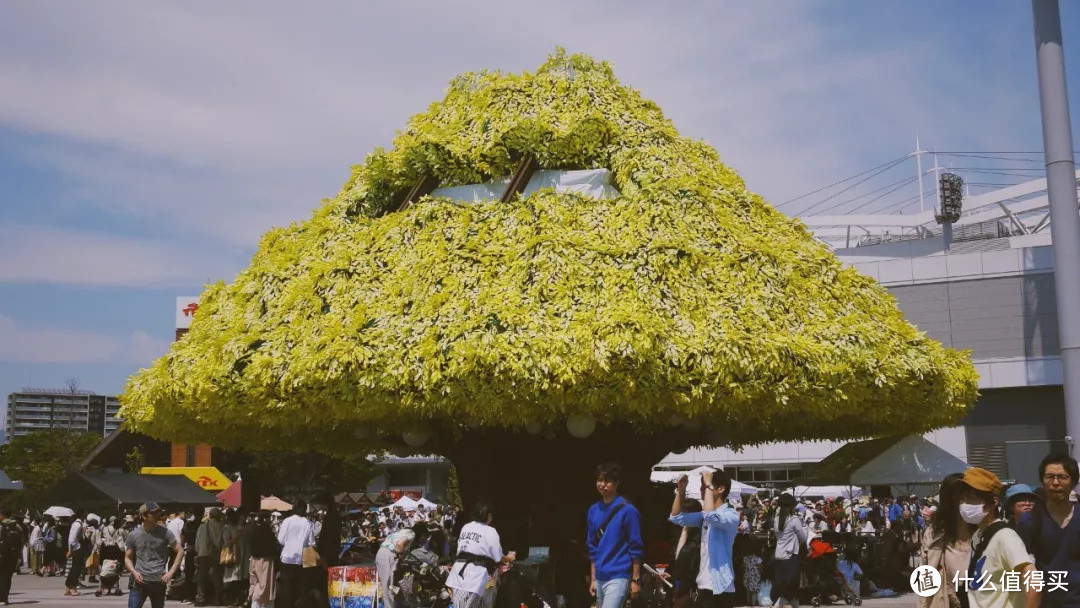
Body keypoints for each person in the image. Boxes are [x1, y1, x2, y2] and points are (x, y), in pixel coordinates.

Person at [958, 467, 1037, 608]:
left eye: (972, 497)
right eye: (963, 498)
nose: (965, 503)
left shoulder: (1005, 536)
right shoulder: (978, 535)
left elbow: (1033, 580)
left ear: (994, 501)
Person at [668, 469, 739, 608]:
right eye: (702, 487)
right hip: (703, 583)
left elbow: (710, 516)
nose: (702, 490)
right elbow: (676, 518)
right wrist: (681, 490)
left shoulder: (731, 515)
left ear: (721, 489)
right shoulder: (704, 515)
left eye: (705, 486)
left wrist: (708, 485)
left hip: (721, 586)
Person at [1017, 453, 1080, 608]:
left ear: (1073, 482)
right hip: (1045, 602)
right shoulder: (1030, 520)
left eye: (1062, 477)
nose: (1055, 483)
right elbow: (1020, 566)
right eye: (1049, 477)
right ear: (1042, 481)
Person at [587, 462, 644, 608]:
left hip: (619, 574)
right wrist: (593, 579)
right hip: (600, 575)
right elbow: (592, 546)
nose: (602, 484)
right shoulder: (593, 510)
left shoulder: (628, 511)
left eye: (607, 481)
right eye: (599, 480)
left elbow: (635, 546)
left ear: (617, 483)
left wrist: (635, 579)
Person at [445, 501, 516, 608]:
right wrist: (510, 558)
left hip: (458, 572)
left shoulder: (466, 527)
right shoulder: (490, 531)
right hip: (474, 576)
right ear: (488, 515)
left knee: (459, 605)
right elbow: (498, 557)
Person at [919, 473, 973, 608]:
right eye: (957, 497)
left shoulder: (984, 532)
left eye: (967, 496)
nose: (962, 501)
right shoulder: (933, 534)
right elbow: (924, 579)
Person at [124, 502, 183, 608]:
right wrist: (134, 572)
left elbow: (180, 551)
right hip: (139, 582)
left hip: (158, 582)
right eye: (153, 513)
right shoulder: (133, 535)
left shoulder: (166, 533)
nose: (157, 515)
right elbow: (128, 557)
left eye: (158, 512)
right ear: (143, 516)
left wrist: (170, 573)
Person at [277, 500, 316, 608]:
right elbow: (311, 543)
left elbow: (281, 540)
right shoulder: (308, 523)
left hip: (287, 558)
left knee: (287, 588)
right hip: (302, 559)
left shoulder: (286, 521)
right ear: (304, 510)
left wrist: (290, 543)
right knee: (302, 588)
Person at [770, 494, 806, 608]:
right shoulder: (795, 520)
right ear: (791, 506)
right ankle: (779, 603)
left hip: (779, 554)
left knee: (784, 582)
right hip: (791, 556)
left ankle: (792, 603)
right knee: (793, 584)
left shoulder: (776, 520)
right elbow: (802, 538)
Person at [376, 521, 420, 608]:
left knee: (388, 584)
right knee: (389, 585)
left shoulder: (400, 532)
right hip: (387, 555)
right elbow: (400, 545)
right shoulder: (411, 534)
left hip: (383, 554)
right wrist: (403, 554)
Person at [195, 507, 225, 607]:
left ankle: (200, 599)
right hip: (216, 554)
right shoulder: (222, 526)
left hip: (202, 554)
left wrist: (199, 551)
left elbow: (197, 543)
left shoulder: (202, 526)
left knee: (201, 578)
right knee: (217, 577)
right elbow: (223, 541)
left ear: (210, 515)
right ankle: (218, 600)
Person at [249, 514, 278, 608]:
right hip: (267, 561)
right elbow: (274, 546)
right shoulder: (268, 532)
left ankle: (255, 603)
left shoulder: (255, 531)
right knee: (267, 586)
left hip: (254, 560)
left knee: (255, 583)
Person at [0, 507, 22, 606]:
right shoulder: (17, 526)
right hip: (13, 555)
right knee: (7, 577)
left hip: (2, 554)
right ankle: (5, 598)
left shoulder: (1, 526)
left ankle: (1, 598)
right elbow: (22, 541)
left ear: (2, 515)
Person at [64, 510, 87, 596]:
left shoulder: (78, 524)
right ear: (81, 514)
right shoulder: (77, 524)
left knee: (74, 568)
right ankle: (73, 587)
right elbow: (72, 538)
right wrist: (70, 550)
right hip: (77, 548)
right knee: (76, 569)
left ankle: (68, 587)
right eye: (85, 513)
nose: (86, 515)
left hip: (76, 548)